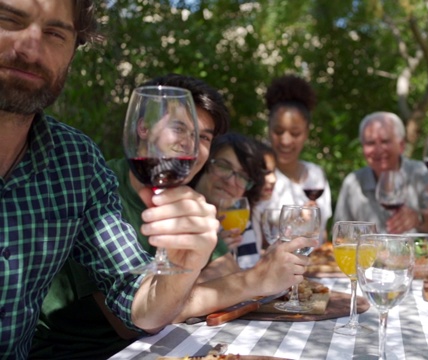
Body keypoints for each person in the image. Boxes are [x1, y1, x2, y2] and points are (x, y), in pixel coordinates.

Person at [1, 2, 219, 359]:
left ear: (73, 51)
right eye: (9, 19)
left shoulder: (76, 162)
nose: (30, 46)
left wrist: (184, 265)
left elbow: (136, 302)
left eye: (56, 33)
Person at [30, 73, 231, 359]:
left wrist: (184, 277)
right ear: (143, 128)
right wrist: (254, 282)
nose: (190, 144)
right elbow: (129, 320)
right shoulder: (100, 183)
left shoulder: (187, 201)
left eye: (202, 137)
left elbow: (226, 268)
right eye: (179, 128)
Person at [333, 111, 428, 233]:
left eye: (385, 141)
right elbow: (341, 234)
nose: (378, 149)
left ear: (401, 145)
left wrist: (419, 218)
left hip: (419, 251)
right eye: (370, 143)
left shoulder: (423, 174)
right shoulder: (352, 183)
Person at [263, 75, 332, 240]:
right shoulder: (260, 177)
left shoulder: (316, 175)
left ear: (306, 133)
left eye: (295, 133)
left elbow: (323, 234)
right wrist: (295, 224)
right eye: (278, 132)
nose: (286, 141)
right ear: (268, 130)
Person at [194, 133, 266, 269]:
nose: (230, 181)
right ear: (204, 164)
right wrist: (211, 255)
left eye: (242, 176)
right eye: (223, 166)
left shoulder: (240, 221)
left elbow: (247, 281)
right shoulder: (179, 214)